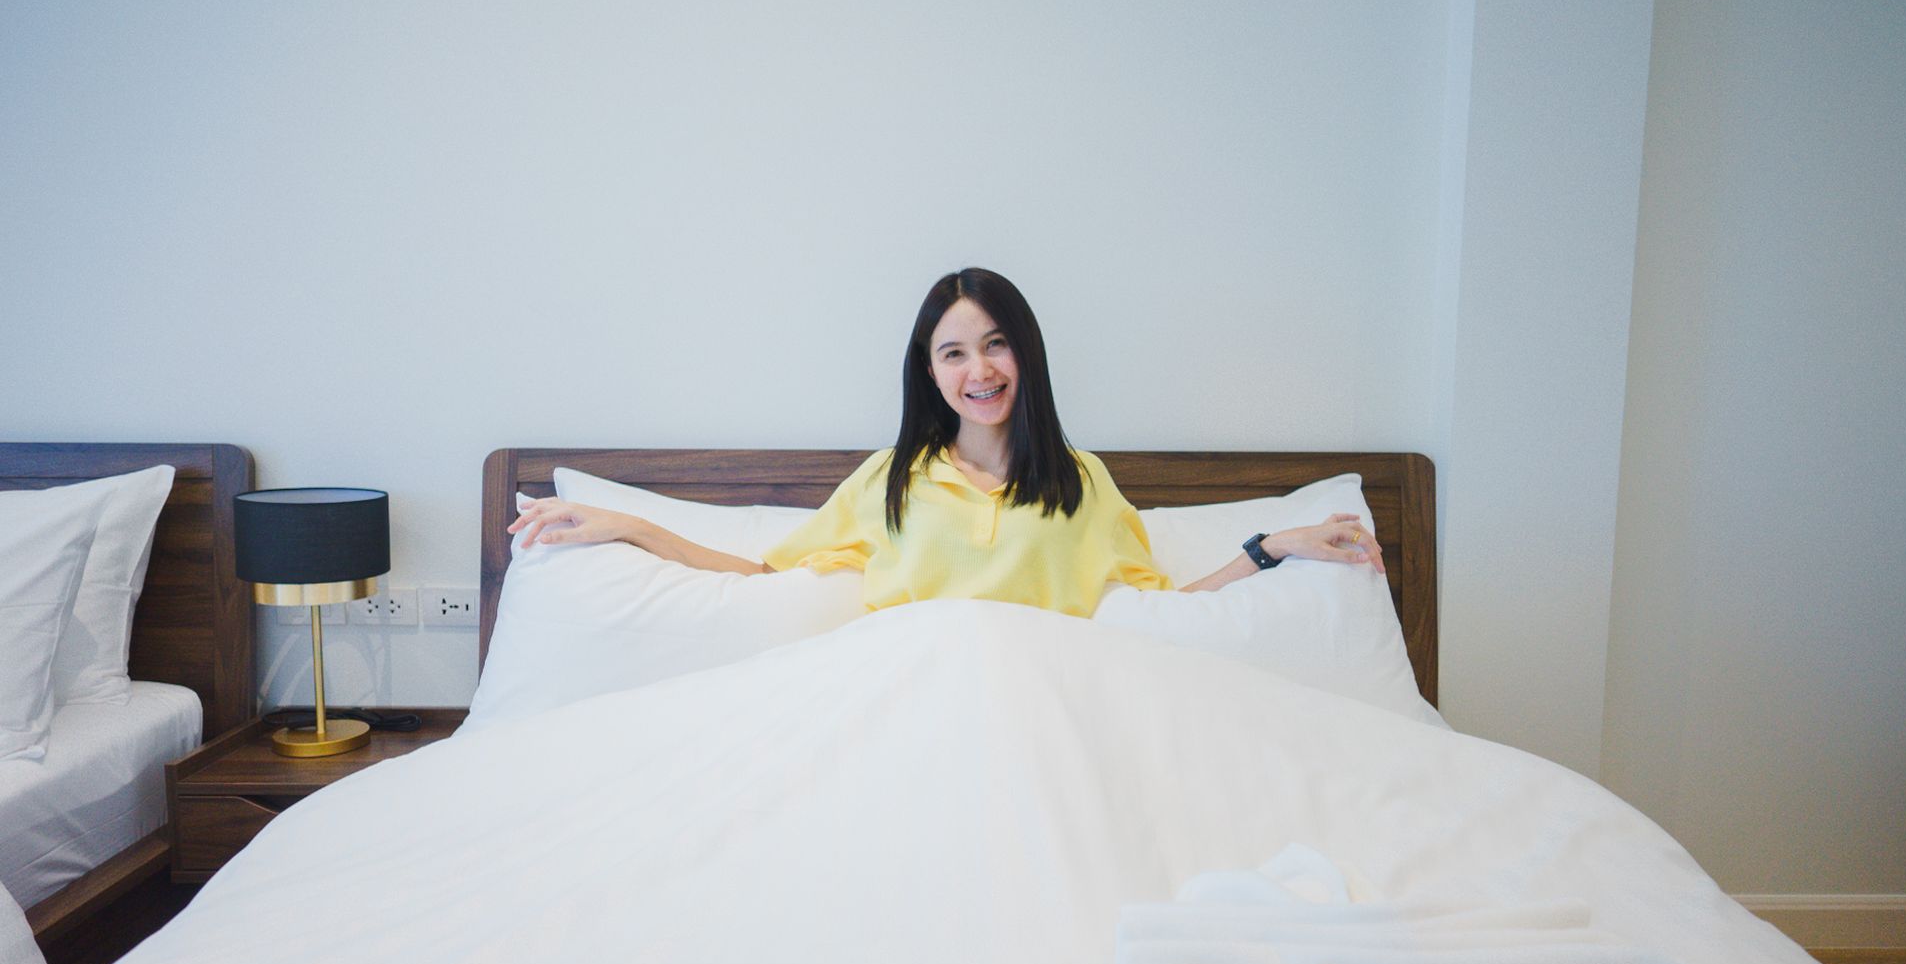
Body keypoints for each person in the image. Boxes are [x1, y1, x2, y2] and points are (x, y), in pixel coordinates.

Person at [508, 268, 1383, 615]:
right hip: (915, 701)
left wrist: (1275, 544)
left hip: (1045, 706)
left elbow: (1172, 603)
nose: (981, 369)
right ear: (930, 372)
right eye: (954, 351)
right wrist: (624, 524)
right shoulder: (892, 480)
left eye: (996, 343)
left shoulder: (1083, 483)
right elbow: (758, 575)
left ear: (1025, 353)